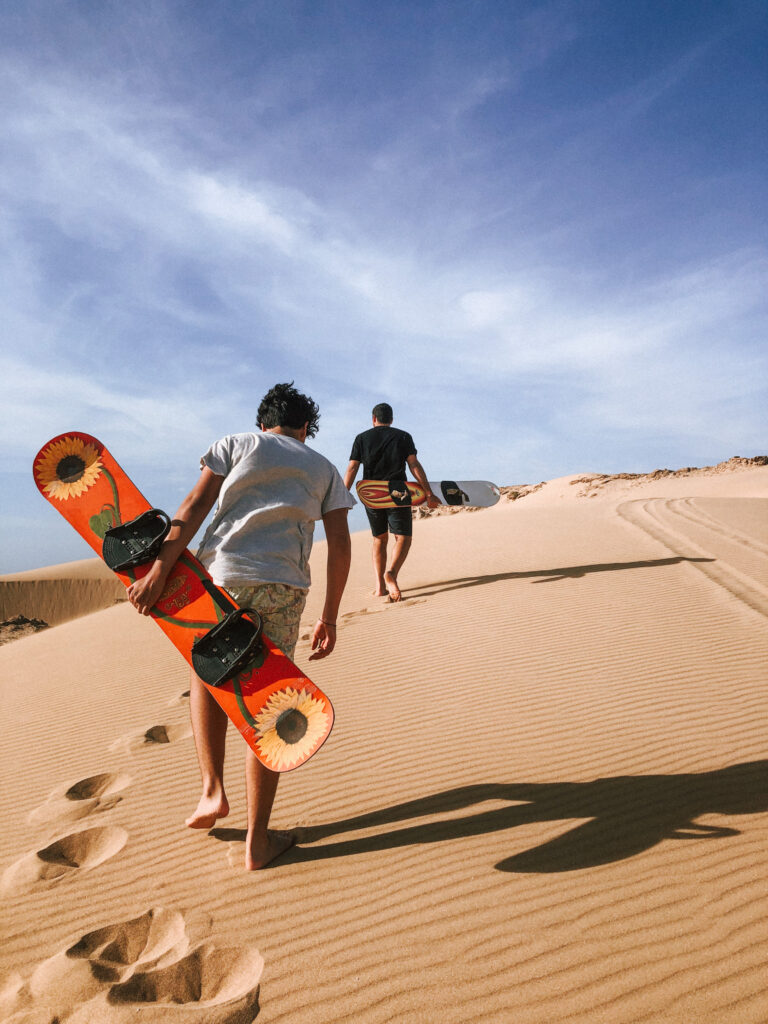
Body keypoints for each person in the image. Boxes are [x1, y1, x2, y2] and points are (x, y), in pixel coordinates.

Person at [127, 383, 354, 870]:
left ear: (263, 424)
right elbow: (340, 543)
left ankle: (212, 790)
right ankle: (258, 840)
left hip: (221, 579)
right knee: (267, 700)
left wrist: (159, 570)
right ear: (305, 428)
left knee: (207, 673)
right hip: (282, 589)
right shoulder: (324, 469)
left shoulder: (236, 443)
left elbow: (192, 508)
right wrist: (330, 615)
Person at [344, 402, 439, 601]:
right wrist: (428, 492)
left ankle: (380, 587)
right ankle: (392, 573)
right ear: (391, 420)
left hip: (373, 493)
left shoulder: (361, 438)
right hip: (398, 492)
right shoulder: (403, 436)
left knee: (379, 539)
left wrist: (342, 494)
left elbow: (353, 467)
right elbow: (413, 464)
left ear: (373, 419)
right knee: (403, 537)